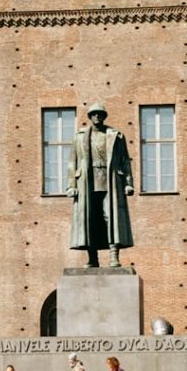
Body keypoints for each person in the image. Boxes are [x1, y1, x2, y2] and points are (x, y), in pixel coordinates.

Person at [66, 102, 135, 268]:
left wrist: (128, 183)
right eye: (94, 114)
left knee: (110, 217)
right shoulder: (80, 136)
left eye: (100, 114)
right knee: (91, 219)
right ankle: (92, 258)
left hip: (110, 180)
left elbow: (125, 161)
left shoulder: (115, 136)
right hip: (87, 182)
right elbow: (72, 162)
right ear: (90, 117)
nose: (97, 116)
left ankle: (113, 256)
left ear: (104, 116)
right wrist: (71, 185)